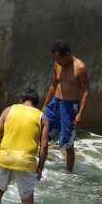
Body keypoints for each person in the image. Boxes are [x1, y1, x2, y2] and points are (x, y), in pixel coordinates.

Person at [0, 89, 49, 204]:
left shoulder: (8, 110)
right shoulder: (42, 117)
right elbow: (44, 146)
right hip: (26, 162)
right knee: (27, 199)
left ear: (21, 100)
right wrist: (40, 168)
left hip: (5, 158)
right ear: (36, 104)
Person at [41, 40, 90, 172]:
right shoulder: (57, 65)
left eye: (59, 59)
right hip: (54, 104)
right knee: (42, 133)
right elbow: (53, 85)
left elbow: (86, 91)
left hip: (69, 106)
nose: (57, 62)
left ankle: (69, 174)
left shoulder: (80, 68)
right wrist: (45, 106)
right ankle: (39, 168)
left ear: (67, 55)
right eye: (56, 59)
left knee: (67, 143)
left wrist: (80, 114)